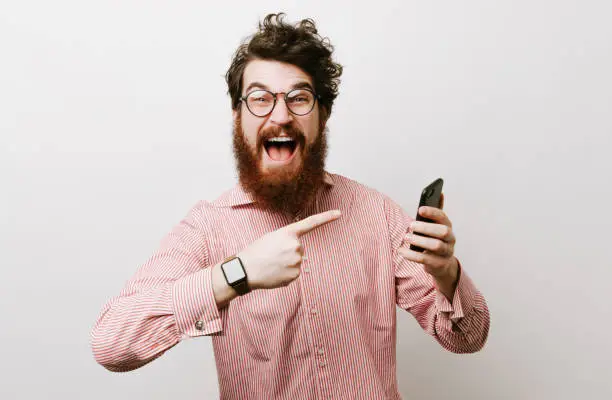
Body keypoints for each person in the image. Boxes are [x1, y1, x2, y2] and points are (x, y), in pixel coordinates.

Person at [90, 13, 490, 399]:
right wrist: (237, 274)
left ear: (323, 114)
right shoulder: (207, 228)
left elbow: (468, 337)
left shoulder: (377, 215)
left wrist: (446, 273)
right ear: (237, 116)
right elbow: (111, 343)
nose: (280, 115)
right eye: (260, 99)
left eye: (298, 98)